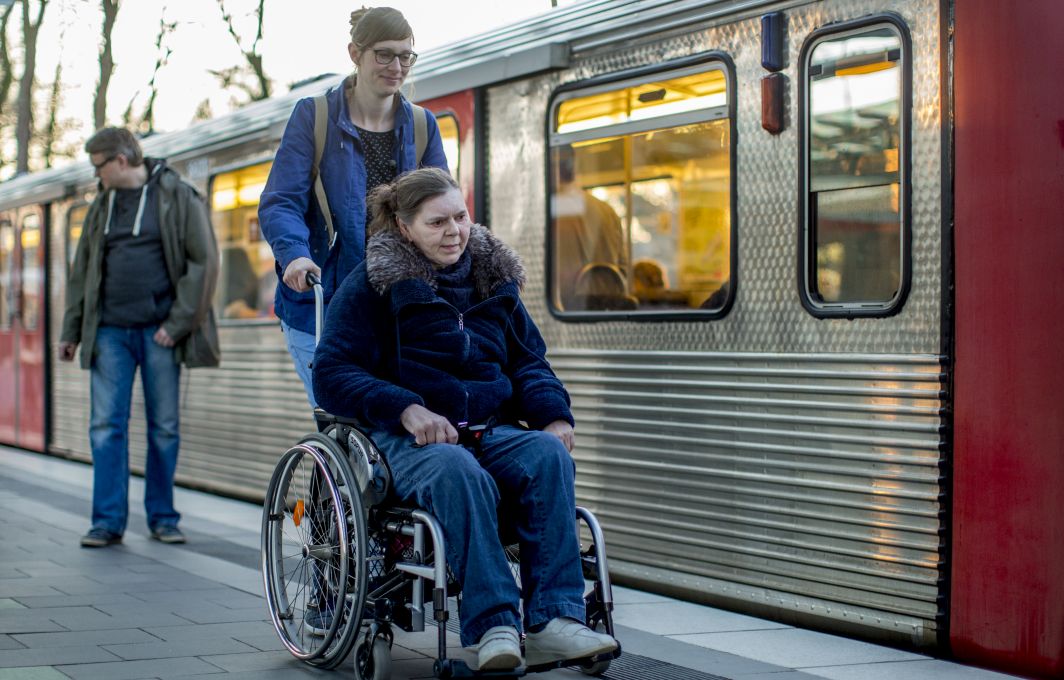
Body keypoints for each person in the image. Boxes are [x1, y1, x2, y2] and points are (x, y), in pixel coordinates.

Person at [313, 168, 619, 671]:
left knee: (546, 454)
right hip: (405, 441)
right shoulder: (373, 284)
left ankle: (552, 621)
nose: (454, 231)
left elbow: (529, 363)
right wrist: (405, 408)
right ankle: (495, 624)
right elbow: (332, 372)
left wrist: (553, 415)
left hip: (487, 429)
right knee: (456, 470)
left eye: (460, 216)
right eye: (437, 222)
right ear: (404, 227)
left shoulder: (492, 278)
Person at [259, 6, 448, 407]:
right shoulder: (314, 117)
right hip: (323, 300)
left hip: (396, 303)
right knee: (346, 420)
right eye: (384, 54)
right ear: (354, 53)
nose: (396, 66)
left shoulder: (421, 124)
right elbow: (280, 201)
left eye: (405, 56)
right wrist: (293, 256)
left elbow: (440, 205)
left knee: (401, 420)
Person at [59, 127, 220, 548]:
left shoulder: (176, 196)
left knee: (164, 427)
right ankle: (107, 522)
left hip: (159, 332)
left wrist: (178, 324)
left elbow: (203, 262)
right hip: (109, 332)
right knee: (105, 427)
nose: (97, 177)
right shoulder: (101, 206)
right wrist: (72, 330)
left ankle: (163, 517)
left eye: (99, 167)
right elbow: (82, 273)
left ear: (121, 161)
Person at [551, 145, 626, 311]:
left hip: (568, 308)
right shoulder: (607, 210)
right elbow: (623, 266)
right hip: (609, 308)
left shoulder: (553, 210)